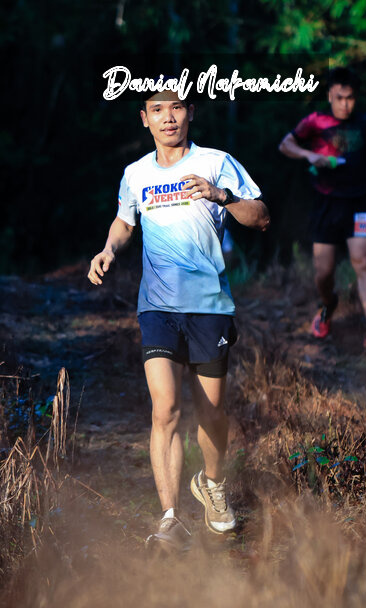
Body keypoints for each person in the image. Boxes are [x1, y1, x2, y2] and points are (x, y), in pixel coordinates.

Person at [88, 89, 270, 552]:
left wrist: (221, 195)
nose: (168, 117)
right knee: (165, 409)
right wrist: (109, 249)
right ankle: (170, 518)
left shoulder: (216, 162)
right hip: (157, 308)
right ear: (144, 119)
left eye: (176, 107)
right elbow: (125, 222)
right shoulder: (136, 174)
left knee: (212, 414)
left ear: (191, 113)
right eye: (157, 109)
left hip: (209, 307)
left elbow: (261, 217)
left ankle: (212, 482)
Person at [278, 69, 366, 348]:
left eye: (350, 98)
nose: (345, 104)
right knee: (323, 273)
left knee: (362, 261)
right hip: (327, 202)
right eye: (340, 98)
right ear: (330, 96)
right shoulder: (315, 121)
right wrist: (309, 155)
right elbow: (285, 145)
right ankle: (328, 305)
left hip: (362, 200)